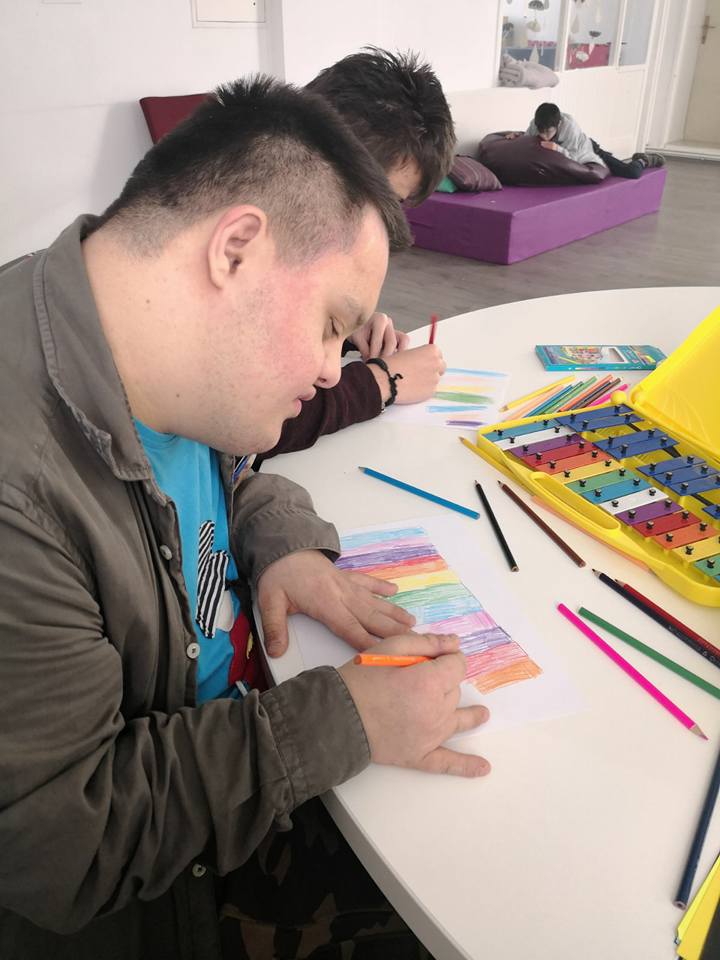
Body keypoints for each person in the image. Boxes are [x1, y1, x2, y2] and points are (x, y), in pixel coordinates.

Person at [0, 76, 491, 960]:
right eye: (332, 324)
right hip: (171, 897)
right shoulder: (19, 496)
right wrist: (342, 722)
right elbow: (69, 849)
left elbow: (227, 476)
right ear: (236, 249)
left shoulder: (141, 342)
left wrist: (283, 545)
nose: (333, 368)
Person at [258, 48, 456, 464]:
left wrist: (345, 327)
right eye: (378, 200)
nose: (379, 227)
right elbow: (252, 424)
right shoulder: (253, 256)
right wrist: (382, 382)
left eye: (395, 206)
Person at [511, 102, 665, 180]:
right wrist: (516, 136)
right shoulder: (537, 123)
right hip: (572, 151)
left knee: (630, 172)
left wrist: (557, 148)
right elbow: (528, 140)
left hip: (588, 150)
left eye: (549, 132)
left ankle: (643, 160)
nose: (544, 136)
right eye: (541, 131)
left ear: (558, 125)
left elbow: (574, 158)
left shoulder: (570, 127)